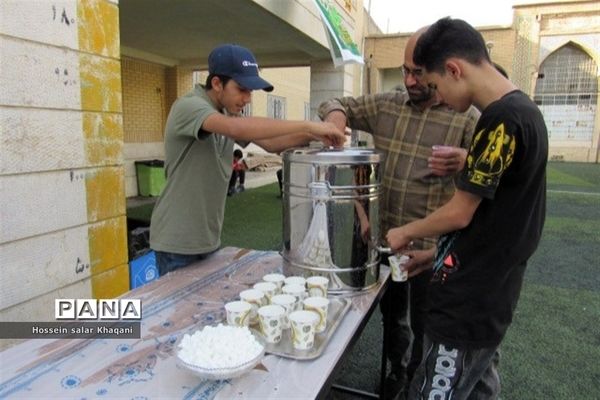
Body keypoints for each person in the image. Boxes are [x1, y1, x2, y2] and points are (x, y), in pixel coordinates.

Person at [386, 17, 548, 399]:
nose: (438, 97)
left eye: (436, 85)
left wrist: (406, 232)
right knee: (477, 390)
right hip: (490, 295)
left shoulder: (499, 121)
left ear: (455, 69)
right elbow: (496, 219)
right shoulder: (525, 111)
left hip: (468, 304)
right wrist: (434, 255)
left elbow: (460, 212)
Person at [318, 29, 480, 399]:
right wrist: (337, 121)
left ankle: (421, 381)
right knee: (391, 317)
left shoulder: (467, 118)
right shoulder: (387, 105)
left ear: (440, 70)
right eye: (405, 70)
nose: (408, 80)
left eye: (418, 72)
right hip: (384, 242)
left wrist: (466, 160)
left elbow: (497, 175)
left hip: (431, 250)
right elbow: (334, 101)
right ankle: (396, 372)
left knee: (428, 321)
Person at [150, 44, 346, 277]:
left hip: (207, 239)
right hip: (176, 243)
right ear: (216, 83)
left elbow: (272, 144)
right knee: (179, 313)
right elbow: (236, 127)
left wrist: (316, 135)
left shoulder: (225, 112)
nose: (247, 98)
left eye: (250, 91)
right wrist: (307, 124)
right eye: (242, 89)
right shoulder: (190, 106)